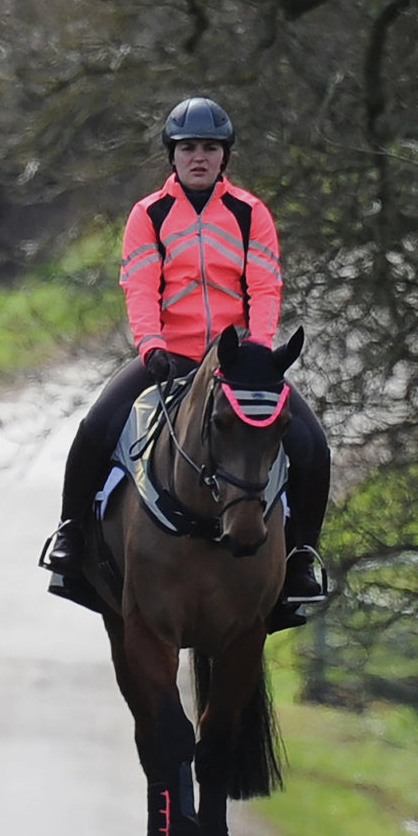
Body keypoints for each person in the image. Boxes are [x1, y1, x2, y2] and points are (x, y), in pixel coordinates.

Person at [41, 97, 330, 618]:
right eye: (189, 147)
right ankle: (69, 537)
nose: (199, 157)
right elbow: (141, 285)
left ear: (225, 157)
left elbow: (265, 285)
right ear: (172, 155)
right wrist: (149, 344)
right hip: (168, 356)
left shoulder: (250, 213)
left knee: (312, 445)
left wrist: (260, 348)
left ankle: (302, 556)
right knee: (96, 427)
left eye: (210, 148)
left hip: (238, 363)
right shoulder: (148, 214)